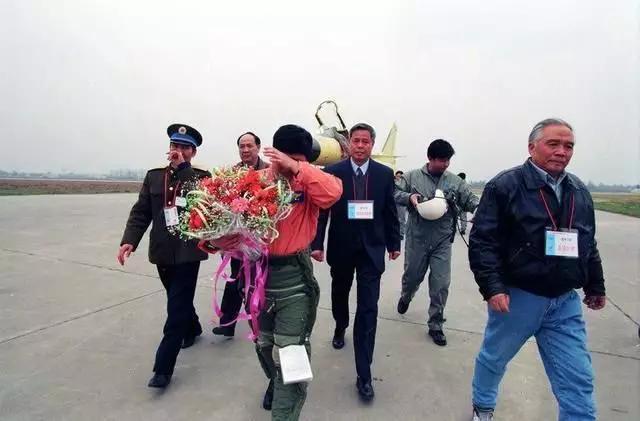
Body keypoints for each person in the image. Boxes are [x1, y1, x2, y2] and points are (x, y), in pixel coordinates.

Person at [468, 118, 606, 421]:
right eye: (553, 144)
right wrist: (493, 287)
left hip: (564, 300)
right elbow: (483, 241)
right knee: (494, 359)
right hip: (519, 297)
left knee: (578, 376)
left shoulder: (579, 191)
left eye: (568, 146)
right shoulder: (505, 186)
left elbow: (587, 241)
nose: (562, 151)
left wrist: (595, 284)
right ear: (532, 147)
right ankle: (483, 406)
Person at [208, 124, 342, 420]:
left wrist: (297, 168)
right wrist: (215, 240)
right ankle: (277, 381)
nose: (292, 165)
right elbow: (221, 222)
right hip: (258, 279)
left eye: (299, 160)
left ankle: (284, 412)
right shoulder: (256, 181)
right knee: (264, 345)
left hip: (295, 279)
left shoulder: (309, 180)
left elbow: (333, 193)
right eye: (287, 158)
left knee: (290, 354)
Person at [310, 123, 401, 402]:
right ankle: (340, 325)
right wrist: (317, 244)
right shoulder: (333, 172)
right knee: (340, 294)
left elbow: (389, 211)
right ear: (349, 143)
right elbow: (323, 211)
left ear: (372, 145)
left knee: (368, 309)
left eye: (365, 141)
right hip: (342, 247)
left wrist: (394, 244)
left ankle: (364, 374)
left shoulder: (384, 174)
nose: (360, 146)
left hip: (371, 251)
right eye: (356, 141)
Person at [117, 124, 210, 389]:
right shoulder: (154, 176)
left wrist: (183, 169)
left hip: (189, 251)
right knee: (176, 298)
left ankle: (163, 368)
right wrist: (129, 241)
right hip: (161, 250)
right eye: (174, 146)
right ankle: (192, 328)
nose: (178, 151)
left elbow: (204, 200)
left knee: (176, 307)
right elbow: (141, 212)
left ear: (193, 152)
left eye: (184, 148)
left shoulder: (201, 177)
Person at [394, 139, 479, 346]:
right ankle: (406, 296)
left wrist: (479, 210)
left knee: (441, 283)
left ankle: (436, 324)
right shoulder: (411, 177)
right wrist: (409, 197)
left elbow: (470, 200)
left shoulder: (455, 182)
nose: (445, 164)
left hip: (442, 240)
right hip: (417, 238)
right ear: (430, 158)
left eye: (448, 160)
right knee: (412, 277)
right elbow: (394, 192)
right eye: (441, 160)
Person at [213, 131, 270, 338]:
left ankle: (260, 324)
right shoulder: (231, 174)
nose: (245, 150)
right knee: (236, 278)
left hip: (262, 242)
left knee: (259, 282)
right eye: (241, 146)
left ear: (258, 147)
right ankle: (227, 323)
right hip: (238, 242)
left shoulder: (269, 172)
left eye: (249, 146)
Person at [395, 170, 408, 240]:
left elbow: (403, 189)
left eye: (400, 176)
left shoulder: (404, 184)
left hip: (402, 203)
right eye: (397, 176)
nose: (398, 178)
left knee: (402, 219)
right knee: (394, 218)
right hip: (394, 203)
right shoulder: (393, 182)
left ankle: (401, 234)